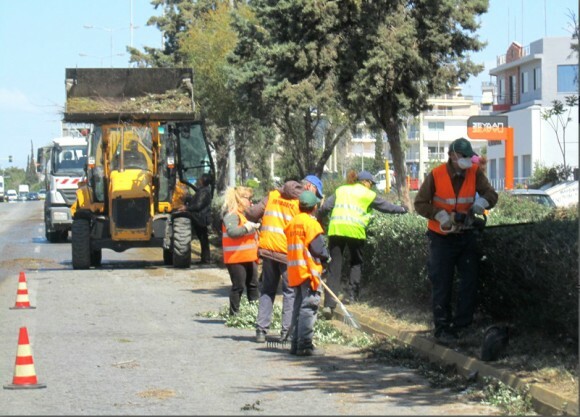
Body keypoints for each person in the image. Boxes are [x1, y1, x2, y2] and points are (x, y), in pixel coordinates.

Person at [414, 137, 498, 345]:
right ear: (452, 156)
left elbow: (491, 194)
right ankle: (442, 328)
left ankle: (462, 326)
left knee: (469, 281)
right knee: (441, 282)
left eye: (470, 156)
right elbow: (420, 203)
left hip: (466, 235)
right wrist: (439, 215)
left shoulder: (474, 172)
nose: (468, 160)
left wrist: (482, 202)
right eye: (464, 156)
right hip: (441, 238)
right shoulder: (436, 175)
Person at [318, 169, 407, 319]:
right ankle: (352, 296)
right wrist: (402, 210)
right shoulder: (367, 194)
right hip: (355, 231)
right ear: (366, 182)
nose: (371, 187)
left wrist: (319, 218)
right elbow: (386, 207)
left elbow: (325, 207)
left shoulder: (341, 190)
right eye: (371, 184)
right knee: (356, 262)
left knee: (334, 267)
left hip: (336, 229)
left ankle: (328, 305)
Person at [245, 175, 323, 343]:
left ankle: (261, 331)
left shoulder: (272, 196)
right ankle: (286, 333)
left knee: (267, 289)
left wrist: (245, 208)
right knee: (290, 293)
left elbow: (252, 214)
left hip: (268, 249)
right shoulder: (300, 203)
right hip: (288, 253)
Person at [285, 190, 330, 356]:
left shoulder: (293, 222)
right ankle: (304, 345)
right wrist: (327, 258)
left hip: (295, 271)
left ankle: (295, 344)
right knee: (309, 307)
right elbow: (318, 249)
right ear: (315, 207)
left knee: (298, 307)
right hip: (309, 272)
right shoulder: (311, 224)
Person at [221, 186, 261, 316]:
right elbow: (232, 232)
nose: (250, 201)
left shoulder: (244, 215)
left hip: (249, 257)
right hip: (235, 258)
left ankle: (255, 313)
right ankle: (234, 314)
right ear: (239, 199)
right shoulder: (232, 215)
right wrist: (247, 227)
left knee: (253, 285)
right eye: (248, 198)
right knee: (238, 286)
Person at [185, 173, 213, 264]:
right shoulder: (202, 191)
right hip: (200, 217)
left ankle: (206, 258)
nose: (199, 180)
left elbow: (198, 206)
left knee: (203, 239)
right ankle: (205, 258)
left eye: (200, 179)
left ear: (203, 181)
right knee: (203, 239)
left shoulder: (204, 192)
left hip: (200, 218)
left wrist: (187, 208)